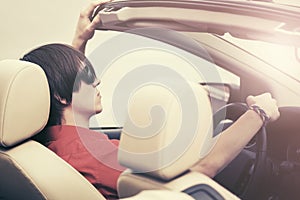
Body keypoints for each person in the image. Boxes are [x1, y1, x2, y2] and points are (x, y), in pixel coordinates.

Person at [20, 0, 280, 199]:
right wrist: (259, 113)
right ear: (59, 95)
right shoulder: (88, 152)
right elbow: (199, 170)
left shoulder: (43, 144)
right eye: (87, 75)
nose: (97, 81)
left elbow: (60, 82)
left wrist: (79, 40)